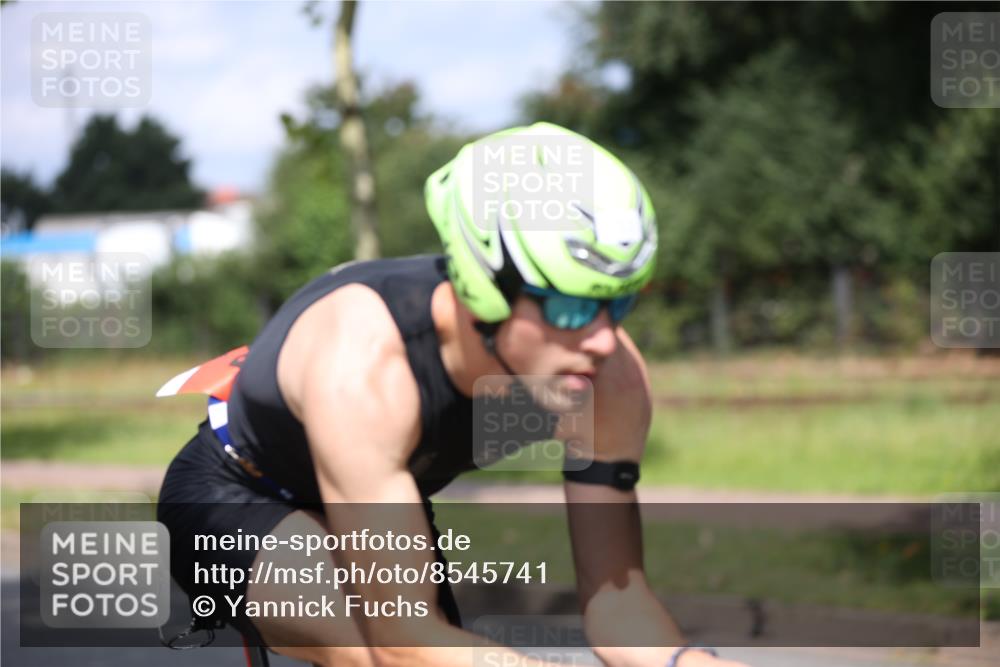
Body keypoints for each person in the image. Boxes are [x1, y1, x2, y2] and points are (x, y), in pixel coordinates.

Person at [157, 122, 748, 667]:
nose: (601, 339)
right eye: (570, 306)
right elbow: (405, 645)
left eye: (618, 304)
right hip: (238, 491)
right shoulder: (367, 361)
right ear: (483, 289)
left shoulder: (608, 377)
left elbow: (620, 609)